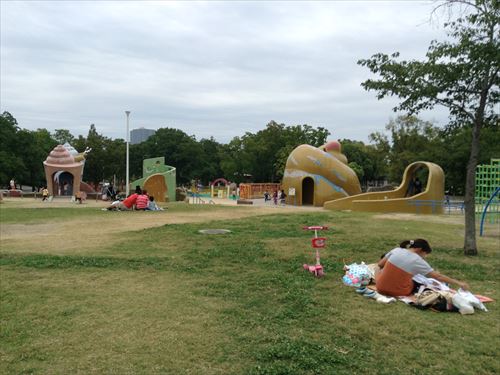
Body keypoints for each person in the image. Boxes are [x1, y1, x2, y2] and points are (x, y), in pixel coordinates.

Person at [376, 239, 470, 297]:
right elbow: (438, 277)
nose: (424, 257)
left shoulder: (396, 250)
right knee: (420, 282)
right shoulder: (418, 261)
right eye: (424, 255)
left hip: (379, 287)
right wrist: (459, 283)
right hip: (399, 292)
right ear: (420, 250)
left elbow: (380, 265)